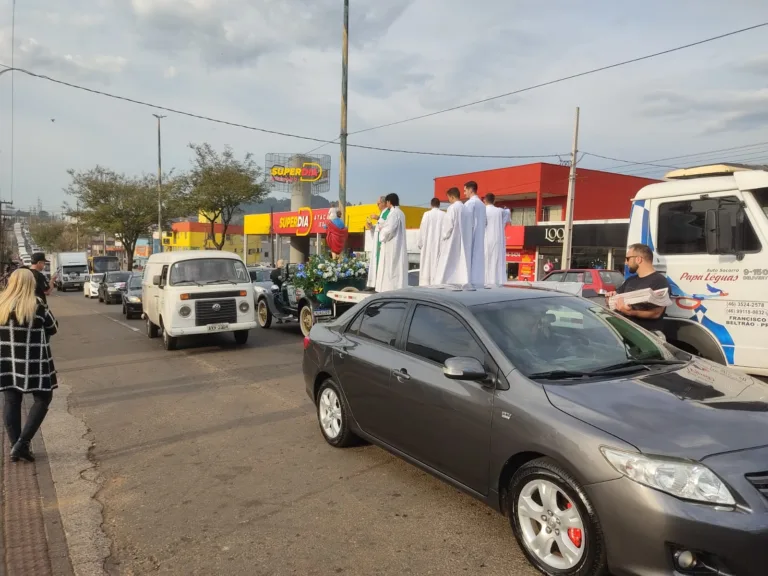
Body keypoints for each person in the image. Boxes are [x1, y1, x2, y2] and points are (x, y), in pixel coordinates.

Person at [0, 269, 58, 462]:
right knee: (43, 399)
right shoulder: (37, 306)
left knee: (11, 401)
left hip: (7, 362)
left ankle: (15, 445)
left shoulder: (1, 304)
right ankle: (22, 444)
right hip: (35, 362)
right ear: (31, 284)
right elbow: (53, 328)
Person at [606, 243, 670, 333]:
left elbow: (656, 313)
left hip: (645, 336)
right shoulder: (630, 280)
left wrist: (631, 312)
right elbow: (614, 300)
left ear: (638, 259)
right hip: (625, 332)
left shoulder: (660, 281)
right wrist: (610, 297)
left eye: (628, 259)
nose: (626, 262)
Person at [434, 187, 469, 285]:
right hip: (463, 241)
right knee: (460, 264)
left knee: (447, 265)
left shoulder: (452, 208)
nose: (449, 200)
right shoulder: (466, 209)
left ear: (452, 197)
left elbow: (448, 227)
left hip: (452, 241)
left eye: (449, 198)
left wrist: (443, 237)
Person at [375, 193, 408, 292]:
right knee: (397, 267)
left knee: (390, 268)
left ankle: (389, 290)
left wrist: (382, 235)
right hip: (398, 244)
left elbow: (389, 229)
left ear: (389, 202)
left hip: (391, 245)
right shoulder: (401, 213)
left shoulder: (393, 213)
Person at [483, 193, 510, 286]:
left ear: (484, 200)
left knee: (486, 261)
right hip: (498, 240)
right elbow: (508, 212)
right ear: (494, 201)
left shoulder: (483, 210)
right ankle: (497, 281)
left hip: (485, 239)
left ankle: (486, 281)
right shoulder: (499, 211)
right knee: (497, 261)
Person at [417, 198, 445, 286]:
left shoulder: (426, 215)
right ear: (439, 205)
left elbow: (422, 229)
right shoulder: (444, 215)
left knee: (426, 268)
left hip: (427, 246)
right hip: (439, 246)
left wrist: (420, 243)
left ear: (431, 205)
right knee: (437, 267)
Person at [462, 181, 486, 285]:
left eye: (465, 190)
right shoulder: (482, 204)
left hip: (470, 238)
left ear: (470, 190)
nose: (464, 193)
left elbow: (466, 222)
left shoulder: (469, 204)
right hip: (480, 237)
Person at [366, 196, 390, 290]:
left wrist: (378, 217)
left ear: (384, 203)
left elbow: (387, 224)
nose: (377, 205)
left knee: (380, 264)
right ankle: (373, 284)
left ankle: (378, 285)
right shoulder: (382, 213)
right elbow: (379, 227)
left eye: (378, 203)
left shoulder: (388, 213)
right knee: (375, 262)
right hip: (377, 244)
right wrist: (371, 227)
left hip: (382, 244)